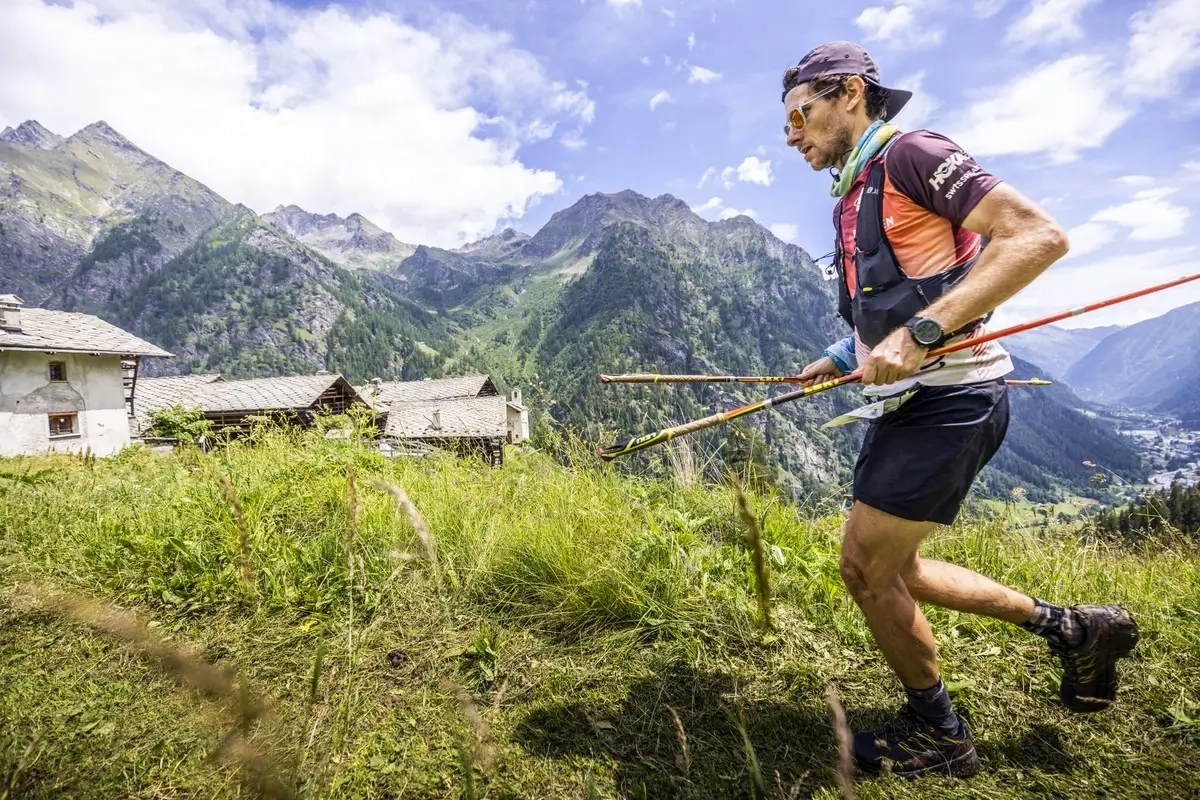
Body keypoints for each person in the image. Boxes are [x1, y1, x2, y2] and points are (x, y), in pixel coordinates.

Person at [781, 41, 1140, 779]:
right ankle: (1073, 629)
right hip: (918, 398)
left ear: (850, 92)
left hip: (952, 399)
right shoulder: (858, 189)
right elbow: (907, 289)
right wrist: (848, 355)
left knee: (865, 568)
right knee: (896, 568)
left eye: (800, 113)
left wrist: (922, 335)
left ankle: (941, 735)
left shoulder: (913, 153)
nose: (792, 134)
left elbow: (1037, 237)